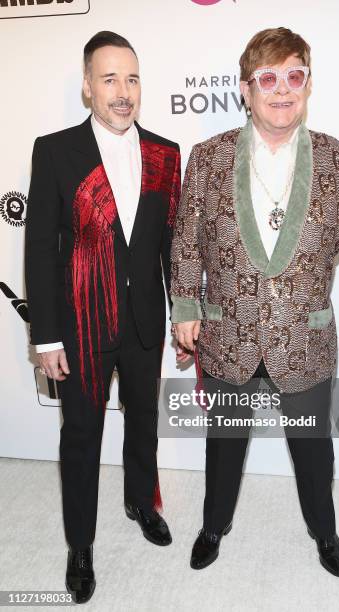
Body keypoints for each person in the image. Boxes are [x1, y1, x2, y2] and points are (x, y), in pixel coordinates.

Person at [170, 27, 339, 577]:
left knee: (313, 450)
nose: (282, 89)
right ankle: (213, 526)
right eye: (268, 78)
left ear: (308, 84)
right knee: (224, 445)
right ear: (246, 89)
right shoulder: (208, 158)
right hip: (228, 336)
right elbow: (187, 241)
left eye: (296, 75)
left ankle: (324, 532)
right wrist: (187, 309)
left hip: (305, 337)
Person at [25, 31, 182, 603]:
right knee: (82, 438)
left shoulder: (166, 153)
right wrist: (44, 336)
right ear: (88, 87)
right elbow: (40, 247)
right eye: (110, 79)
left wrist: (181, 313)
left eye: (132, 78)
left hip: (144, 323)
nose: (123, 92)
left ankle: (142, 502)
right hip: (81, 327)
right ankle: (81, 546)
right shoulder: (55, 150)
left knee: (143, 425)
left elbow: (171, 245)